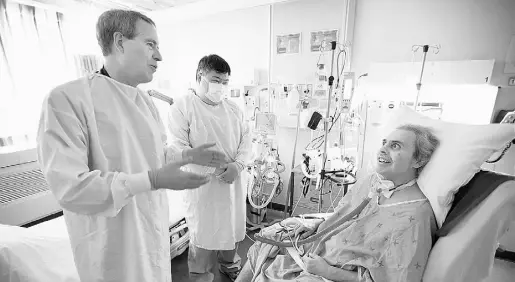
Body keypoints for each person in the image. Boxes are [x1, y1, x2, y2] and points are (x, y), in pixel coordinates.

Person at [36, 10, 228, 282]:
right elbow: (71, 187)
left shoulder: (145, 101)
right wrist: (151, 180)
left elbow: (155, 153)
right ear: (119, 42)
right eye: (150, 44)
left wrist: (186, 154)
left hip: (150, 231)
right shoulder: (68, 100)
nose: (159, 56)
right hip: (110, 243)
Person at [236, 124, 440, 282]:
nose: (383, 150)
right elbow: (343, 214)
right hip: (318, 246)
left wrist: (328, 271)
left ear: (418, 161)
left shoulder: (415, 216)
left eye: (395, 146)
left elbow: (395, 278)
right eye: (384, 143)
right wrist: (317, 225)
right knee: (265, 240)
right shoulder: (372, 182)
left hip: (333, 271)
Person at [167, 54, 253, 282]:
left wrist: (238, 165)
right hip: (202, 188)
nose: (221, 87)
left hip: (233, 184)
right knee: (203, 235)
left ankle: (230, 266)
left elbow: (247, 139)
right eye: (216, 80)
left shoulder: (233, 108)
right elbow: (179, 149)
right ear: (200, 76)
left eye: (225, 82)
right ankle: (200, 275)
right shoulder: (182, 107)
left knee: (231, 231)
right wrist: (215, 170)